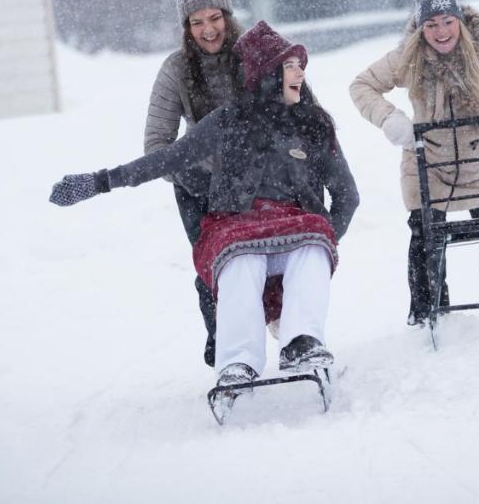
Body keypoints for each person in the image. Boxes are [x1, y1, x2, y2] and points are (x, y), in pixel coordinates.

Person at [50, 20, 359, 391]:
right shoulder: (227, 123)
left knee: (312, 245)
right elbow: (167, 159)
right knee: (242, 259)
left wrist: (327, 237)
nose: (300, 73)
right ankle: (238, 361)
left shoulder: (313, 126)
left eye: (299, 65)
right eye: (290, 65)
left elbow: (347, 195)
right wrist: (101, 181)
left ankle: (301, 343)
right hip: (236, 231)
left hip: (298, 232)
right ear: (265, 73)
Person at [350, 0, 479, 325]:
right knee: (425, 236)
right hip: (427, 166)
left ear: (459, 20)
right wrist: (391, 120)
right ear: (420, 29)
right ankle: (428, 313)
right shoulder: (408, 58)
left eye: (447, 21)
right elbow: (362, 86)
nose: (441, 32)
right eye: (431, 25)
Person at [145, 0, 245, 366]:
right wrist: (198, 171)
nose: (208, 29)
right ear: (186, 27)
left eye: (215, 18)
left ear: (228, 16)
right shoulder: (176, 71)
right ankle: (222, 342)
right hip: (198, 187)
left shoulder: (251, 54)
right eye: (197, 22)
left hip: (259, 178)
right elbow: (156, 145)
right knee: (215, 265)